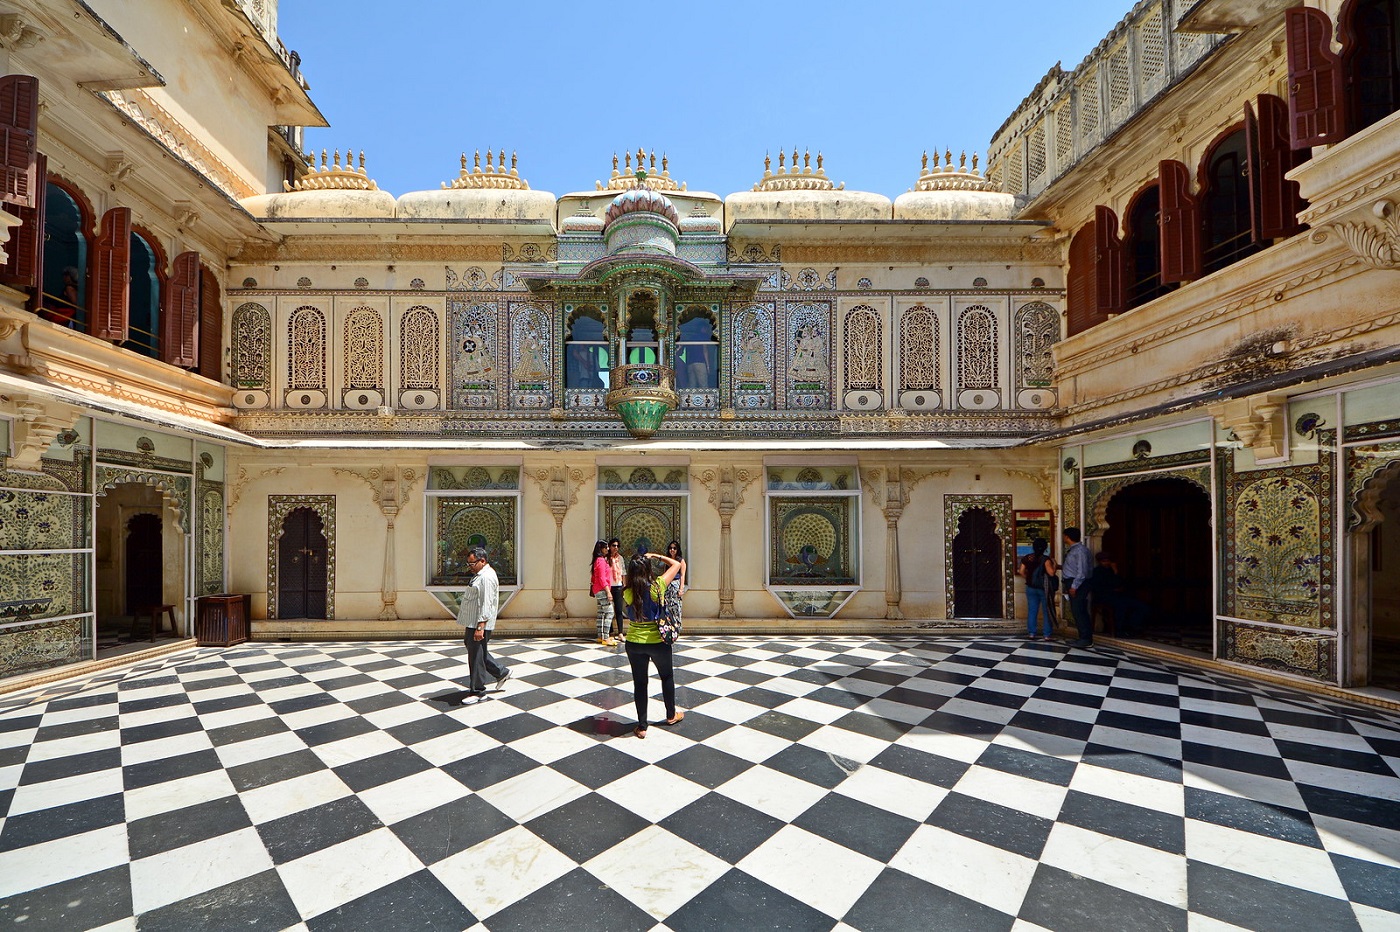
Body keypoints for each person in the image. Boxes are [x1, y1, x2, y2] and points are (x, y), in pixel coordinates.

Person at [621, 551, 683, 738]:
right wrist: (656, 556)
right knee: (666, 676)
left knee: (640, 683)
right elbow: (677, 565)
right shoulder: (657, 586)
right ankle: (671, 714)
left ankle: (642, 726)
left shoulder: (628, 591)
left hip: (634, 642)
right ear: (648, 569)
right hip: (658, 641)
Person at [457, 545, 509, 703]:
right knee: (477, 653)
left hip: (479, 623)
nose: (470, 567)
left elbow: (486, 603)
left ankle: (478, 691)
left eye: (472, 564)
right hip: (473, 622)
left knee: (476, 656)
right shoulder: (480, 574)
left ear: (483, 561)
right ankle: (501, 672)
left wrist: (481, 626)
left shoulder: (486, 577)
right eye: (469, 564)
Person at [1090, 553, 1149, 637]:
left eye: (1108, 561)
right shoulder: (1097, 572)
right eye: (1104, 561)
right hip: (1103, 597)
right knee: (1121, 605)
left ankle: (1133, 626)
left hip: (1117, 596)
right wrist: (1113, 587)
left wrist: (1115, 572)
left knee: (1141, 606)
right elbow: (1100, 588)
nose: (1106, 563)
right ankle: (1119, 630)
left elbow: (1120, 583)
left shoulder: (1111, 570)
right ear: (1099, 562)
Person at [1017, 537, 1055, 640]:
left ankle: (1032, 633)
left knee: (1032, 610)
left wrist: (1029, 579)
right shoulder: (1045, 559)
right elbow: (1051, 573)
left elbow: (1021, 571)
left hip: (1031, 587)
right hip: (1044, 588)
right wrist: (1054, 565)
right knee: (1046, 610)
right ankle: (1047, 634)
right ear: (1045, 548)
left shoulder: (1027, 558)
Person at [1061, 528, 1094, 647]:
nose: (1063, 538)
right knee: (1077, 610)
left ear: (1067, 537)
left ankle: (1086, 639)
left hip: (1079, 584)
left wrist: (1074, 586)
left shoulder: (1080, 551)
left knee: (1079, 611)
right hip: (1074, 582)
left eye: (1064, 536)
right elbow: (1073, 568)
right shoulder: (1074, 550)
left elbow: (1082, 572)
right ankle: (1082, 637)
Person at [589, 539, 616, 647]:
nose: (608, 549)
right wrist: (608, 591)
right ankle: (605, 637)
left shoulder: (598, 560)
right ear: (601, 549)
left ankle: (601, 636)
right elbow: (601, 578)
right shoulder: (600, 560)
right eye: (606, 547)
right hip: (602, 589)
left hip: (598, 589)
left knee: (601, 613)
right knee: (609, 613)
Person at [664, 539, 687, 630]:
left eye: (674, 548)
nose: (672, 550)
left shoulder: (681, 561)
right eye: (670, 548)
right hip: (668, 586)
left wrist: (681, 589)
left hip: (676, 585)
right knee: (668, 607)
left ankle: (677, 626)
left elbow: (682, 575)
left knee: (676, 607)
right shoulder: (668, 560)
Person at [607, 538, 626, 640]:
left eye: (617, 546)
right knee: (609, 610)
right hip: (609, 587)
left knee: (618, 610)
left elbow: (623, 572)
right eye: (614, 545)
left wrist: (624, 586)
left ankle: (620, 633)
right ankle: (610, 632)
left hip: (618, 586)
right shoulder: (606, 558)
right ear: (610, 546)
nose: (616, 548)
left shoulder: (620, 558)